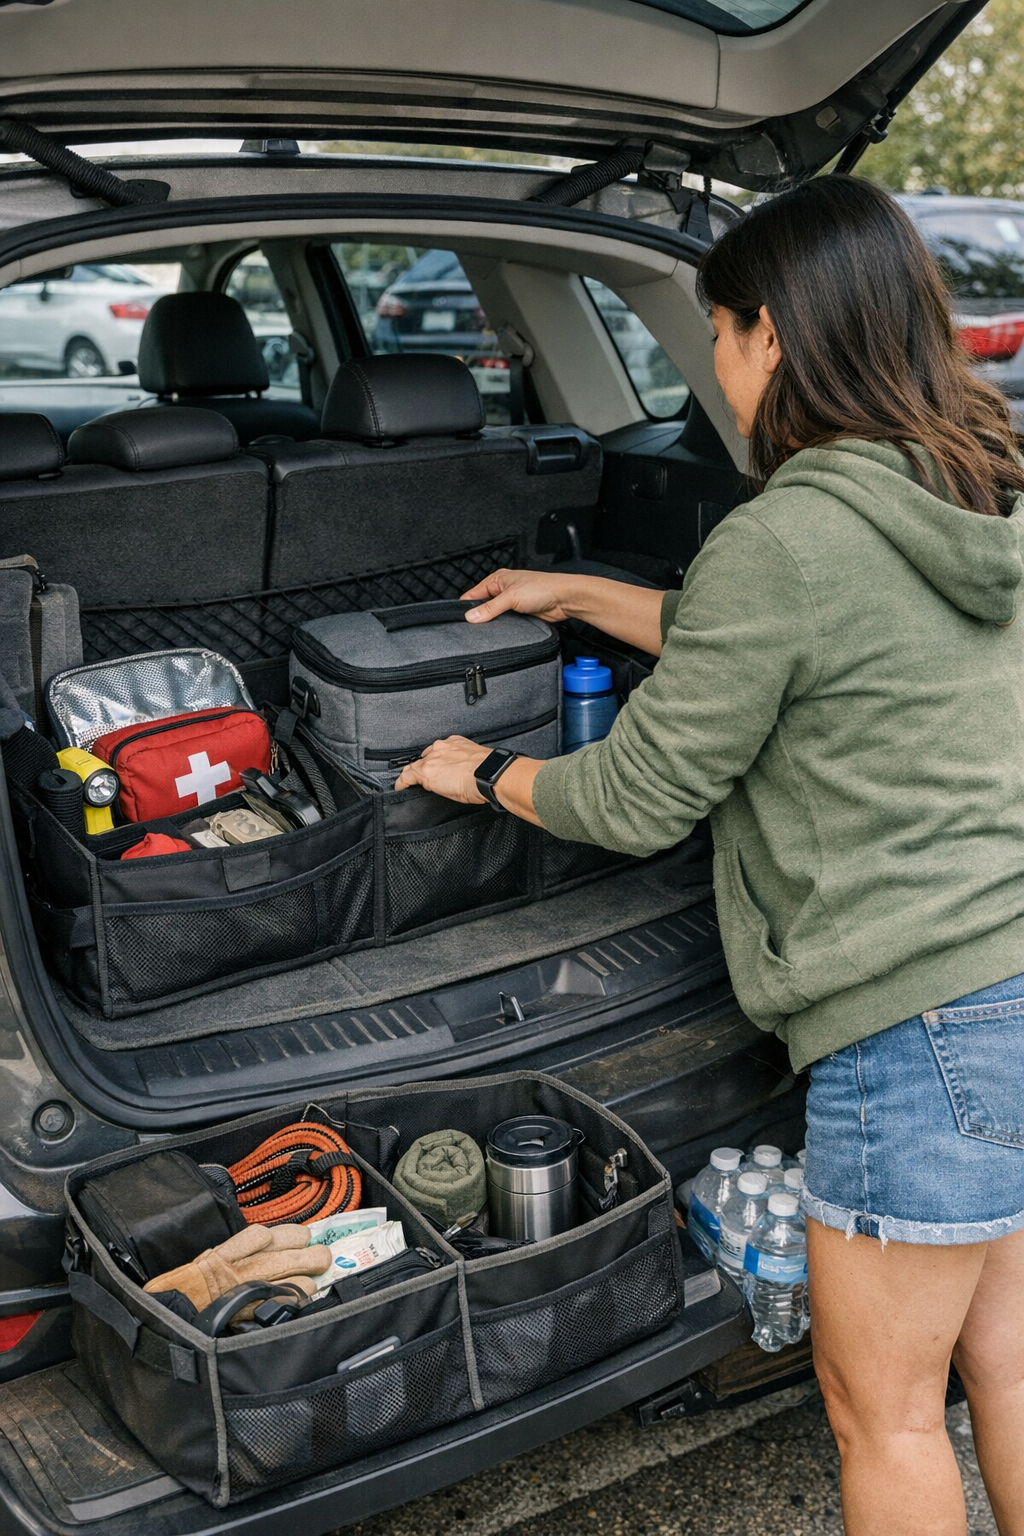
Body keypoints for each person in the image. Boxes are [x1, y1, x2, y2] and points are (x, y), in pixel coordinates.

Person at [395, 175, 1024, 1536]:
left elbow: (635, 794)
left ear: (774, 337)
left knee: (883, 1414)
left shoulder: (787, 535)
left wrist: (483, 772)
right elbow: (773, 638)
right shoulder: (972, 489)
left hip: (909, 1029)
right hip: (1011, 980)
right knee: (1008, 1363)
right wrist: (577, 593)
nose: (719, 367)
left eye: (721, 331)